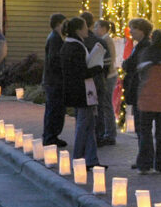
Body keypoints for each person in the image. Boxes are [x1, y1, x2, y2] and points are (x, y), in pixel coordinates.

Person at [59, 17, 103, 169]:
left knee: (89, 125)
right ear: (78, 30)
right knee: (83, 125)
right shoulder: (76, 47)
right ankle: (78, 159)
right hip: (81, 91)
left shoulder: (69, 45)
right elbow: (81, 72)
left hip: (77, 90)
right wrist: (97, 67)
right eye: (85, 27)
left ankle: (92, 159)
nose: (87, 30)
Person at [135, 28, 161, 174]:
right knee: (160, 134)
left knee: (145, 132)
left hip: (147, 97)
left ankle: (144, 164)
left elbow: (140, 73)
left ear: (152, 38)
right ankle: (159, 165)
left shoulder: (146, 53)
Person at [122, 17, 152, 168]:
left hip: (141, 90)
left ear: (141, 30)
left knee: (142, 127)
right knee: (140, 127)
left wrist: (126, 64)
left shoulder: (144, 47)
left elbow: (131, 64)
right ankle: (143, 157)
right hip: (138, 89)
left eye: (133, 28)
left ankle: (145, 159)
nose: (130, 31)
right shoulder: (139, 46)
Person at [42, 13, 68, 147]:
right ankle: (50, 136)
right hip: (55, 81)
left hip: (53, 80)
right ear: (59, 24)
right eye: (64, 22)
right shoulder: (55, 39)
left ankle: (51, 135)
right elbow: (54, 60)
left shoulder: (55, 38)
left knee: (54, 109)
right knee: (55, 109)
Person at [93, 19, 118, 146]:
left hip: (109, 76)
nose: (94, 29)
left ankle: (110, 133)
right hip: (109, 75)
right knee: (106, 104)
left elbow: (110, 58)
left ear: (103, 28)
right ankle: (109, 132)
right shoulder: (105, 39)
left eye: (96, 27)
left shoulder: (106, 40)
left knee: (107, 105)